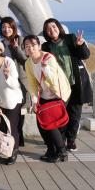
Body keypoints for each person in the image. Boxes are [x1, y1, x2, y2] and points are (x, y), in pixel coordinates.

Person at [42, 18, 91, 152]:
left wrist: (81, 45)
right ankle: (61, 140)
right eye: (48, 28)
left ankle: (71, 140)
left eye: (54, 26)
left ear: (59, 27)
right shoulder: (46, 47)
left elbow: (85, 55)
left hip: (76, 82)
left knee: (75, 114)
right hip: (59, 86)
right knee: (60, 114)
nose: (52, 30)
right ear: (46, 32)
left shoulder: (71, 38)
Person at [23, 35, 71, 163]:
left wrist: (45, 68)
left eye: (33, 45)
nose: (30, 48)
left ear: (39, 46)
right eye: (27, 46)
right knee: (41, 124)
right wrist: (34, 100)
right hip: (43, 95)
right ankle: (51, 150)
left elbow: (54, 80)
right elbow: (32, 83)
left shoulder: (48, 58)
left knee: (51, 124)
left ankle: (61, 151)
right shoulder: (28, 62)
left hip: (58, 94)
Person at [0, 17, 29, 146]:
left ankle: (18, 136)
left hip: (19, 81)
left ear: (13, 28)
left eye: (9, 27)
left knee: (20, 110)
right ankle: (12, 137)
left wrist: (17, 48)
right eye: (3, 27)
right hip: (5, 81)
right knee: (9, 109)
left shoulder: (21, 40)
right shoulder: (0, 44)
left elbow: (25, 61)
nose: (6, 30)